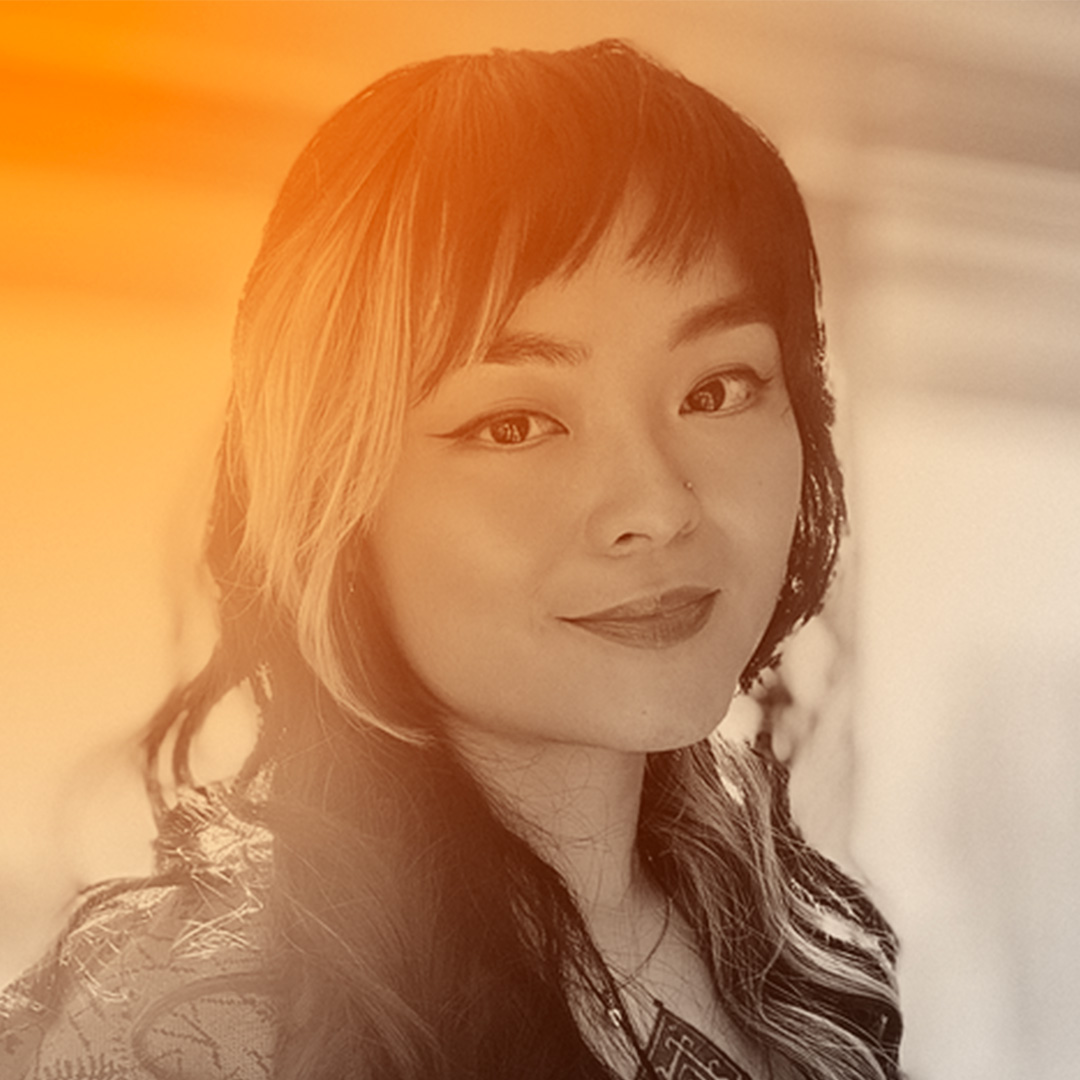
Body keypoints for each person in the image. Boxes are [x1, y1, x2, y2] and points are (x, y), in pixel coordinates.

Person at [0, 39, 902, 1080]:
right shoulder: (179, 1029)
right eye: (515, 423)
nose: (656, 506)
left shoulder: (790, 955)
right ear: (338, 495)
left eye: (716, 391)